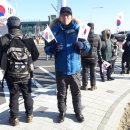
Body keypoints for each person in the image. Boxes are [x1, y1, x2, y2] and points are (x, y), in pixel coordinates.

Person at [44, 7, 90, 123]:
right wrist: (53, 48)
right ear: (59, 17)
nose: (66, 17)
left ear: (71, 16)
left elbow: (88, 46)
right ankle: (62, 112)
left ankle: (78, 112)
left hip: (75, 70)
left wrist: (82, 45)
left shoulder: (79, 30)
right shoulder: (52, 31)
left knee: (77, 93)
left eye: (68, 15)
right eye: (63, 15)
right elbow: (47, 49)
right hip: (61, 70)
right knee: (61, 94)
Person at [0, 16, 39, 126]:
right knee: (27, 94)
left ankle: (14, 119)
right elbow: (36, 55)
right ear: (20, 26)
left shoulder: (3, 40)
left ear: (8, 26)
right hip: (26, 74)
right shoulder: (28, 39)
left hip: (10, 74)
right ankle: (29, 116)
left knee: (14, 96)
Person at [80, 22, 102, 91]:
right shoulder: (97, 36)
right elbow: (99, 48)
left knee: (85, 72)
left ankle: (84, 86)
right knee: (93, 72)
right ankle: (93, 86)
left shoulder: (83, 36)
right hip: (94, 57)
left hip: (84, 57)